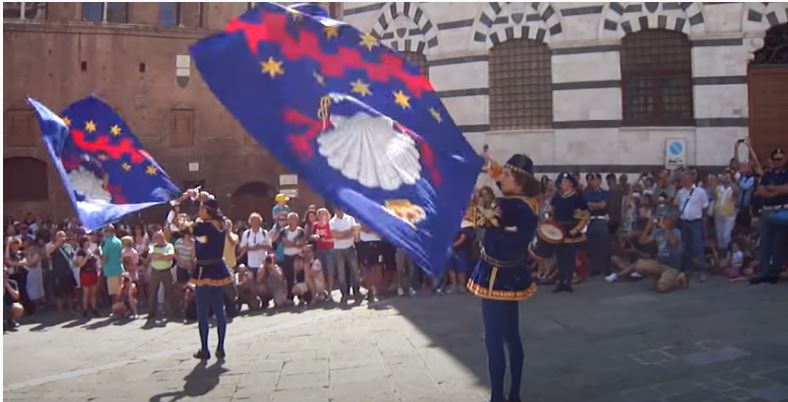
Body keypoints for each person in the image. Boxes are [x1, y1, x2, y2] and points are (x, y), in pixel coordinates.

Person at [467, 154, 540, 402]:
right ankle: (515, 394)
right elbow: (500, 182)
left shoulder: (510, 206)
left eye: (508, 175)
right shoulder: (527, 202)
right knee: (512, 336)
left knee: (494, 339)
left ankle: (497, 397)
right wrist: (491, 167)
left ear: (519, 181)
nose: (501, 178)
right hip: (513, 274)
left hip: (496, 276)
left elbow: (484, 222)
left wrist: (469, 203)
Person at [179, 190, 234, 360]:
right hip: (218, 267)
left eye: (202, 209)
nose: (200, 211)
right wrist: (200, 200)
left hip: (204, 270)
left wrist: (179, 205)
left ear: (208, 211)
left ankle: (205, 348)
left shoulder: (204, 226)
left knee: (202, 311)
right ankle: (221, 347)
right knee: (219, 309)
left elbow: (182, 227)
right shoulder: (221, 224)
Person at [616, 214, 687, 293]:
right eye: (662, 218)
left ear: (672, 222)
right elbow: (642, 241)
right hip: (659, 263)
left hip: (672, 267)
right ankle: (662, 278)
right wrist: (648, 226)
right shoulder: (657, 232)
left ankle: (678, 279)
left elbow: (673, 242)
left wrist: (665, 229)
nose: (662, 220)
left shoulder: (676, 231)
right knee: (639, 266)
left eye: (665, 219)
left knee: (661, 288)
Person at [751, 148, 788, 284]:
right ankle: (764, 270)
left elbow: (786, 189)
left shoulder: (786, 174)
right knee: (765, 242)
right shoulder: (767, 174)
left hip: (782, 211)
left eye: (780, 159)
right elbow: (760, 191)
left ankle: (774, 271)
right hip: (767, 210)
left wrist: (774, 190)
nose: (778, 161)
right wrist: (777, 191)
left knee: (778, 242)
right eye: (775, 159)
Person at [551, 172, 590, 293]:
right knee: (559, 257)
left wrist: (577, 229)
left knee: (569, 257)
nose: (562, 184)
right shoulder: (557, 198)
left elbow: (585, 216)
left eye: (564, 182)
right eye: (561, 182)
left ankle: (567, 281)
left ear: (570, 184)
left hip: (571, 230)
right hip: (558, 230)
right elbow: (552, 213)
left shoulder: (577, 199)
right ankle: (560, 281)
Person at [676, 171, 710, 281]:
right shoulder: (681, 192)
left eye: (684, 179)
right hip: (684, 222)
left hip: (695, 222)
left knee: (697, 246)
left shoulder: (700, 192)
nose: (682, 181)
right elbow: (678, 205)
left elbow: (705, 207)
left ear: (690, 180)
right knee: (685, 247)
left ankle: (702, 270)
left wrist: (700, 217)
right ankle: (687, 269)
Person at [583, 173, 612, 281]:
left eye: (594, 180)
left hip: (601, 220)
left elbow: (603, 205)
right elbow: (587, 206)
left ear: (599, 181)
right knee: (592, 245)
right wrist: (596, 205)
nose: (592, 182)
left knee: (604, 245)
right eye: (591, 180)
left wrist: (594, 205)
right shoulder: (587, 193)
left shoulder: (605, 193)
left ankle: (607, 268)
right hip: (591, 220)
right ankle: (594, 268)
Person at [329, 208, 362, 304]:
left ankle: (357, 291)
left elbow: (354, 232)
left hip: (350, 247)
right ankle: (344, 293)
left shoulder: (350, 219)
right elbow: (336, 236)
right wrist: (348, 232)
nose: (339, 210)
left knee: (355, 270)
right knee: (341, 272)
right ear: (334, 210)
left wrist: (343, 234)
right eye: (337, 209)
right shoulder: (332, 222)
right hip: (338, 249)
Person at [147, 230, 176, 320]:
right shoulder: (152, 246)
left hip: (166, 271)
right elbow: (151, 255)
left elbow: (170, 257)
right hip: (155, 271)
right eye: (156, 238)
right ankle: (151, 313)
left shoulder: (169, 246)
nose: (158, 239)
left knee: (170, 292)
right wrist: (164, 256)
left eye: (160, 237)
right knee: (152, 292)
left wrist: (158, 256)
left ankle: (174, 312)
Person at [45, 231, 76, 313]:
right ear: (56, 237)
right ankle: (60, 311)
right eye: (59, 236)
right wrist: (56, 244)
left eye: (63, 236)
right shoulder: (53, 246)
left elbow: (72, 256)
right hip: (57, 273)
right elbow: (48, 254)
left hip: (68, 272)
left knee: (70, 292)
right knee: (59, 293)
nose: (61, 238)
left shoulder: (68, 246)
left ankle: (71, 310)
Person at [446, 219, 475, 294]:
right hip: (450, 249)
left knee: (462, 268)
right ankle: (454, 286)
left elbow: (463, 238)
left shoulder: (464, 223)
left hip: (461, 249)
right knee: (451, 267)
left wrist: (452, 245)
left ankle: (462, 286)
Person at [714, 170, 740, 254]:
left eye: (728, 177)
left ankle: (728, 252)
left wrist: (731, 182)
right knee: (719, 234)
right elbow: (713, 192)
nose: (726, 178)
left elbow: (737, 193)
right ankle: (721, 252)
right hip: (718, 214)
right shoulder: (719, 187)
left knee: (726, 235)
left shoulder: (732, 188)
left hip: (729, 215)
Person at [356, 224, 384, 302]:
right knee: (366, 269)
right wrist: (372, 228)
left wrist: (372, 229)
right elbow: (360, 229)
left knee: (378, 267)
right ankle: (370, 290)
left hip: (377, 244)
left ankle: (377, 289)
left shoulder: (375, 219)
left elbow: (381, 230)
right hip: (364, 244)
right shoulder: (360, 218)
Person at [311, 208, 335, 300]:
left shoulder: (330, 225)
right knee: (321, 271)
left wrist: (327, 240)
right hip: (319, 249)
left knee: (330, 271)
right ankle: (322, 291)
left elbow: (335, 238)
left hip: (329, 249)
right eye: (320, 214)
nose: (322, 216)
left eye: (324, 214)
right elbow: (311, 236)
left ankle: (330, 292)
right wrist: (314, 237)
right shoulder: (315, 225)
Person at [101, 224, 124, 305]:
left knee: (114, 293)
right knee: (120, 290)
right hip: (119, 268)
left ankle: (116, 310)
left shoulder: (107, 243)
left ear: (108, 232)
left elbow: (105, 258)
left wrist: (102, 266)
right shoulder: (119, 241)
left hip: (111, 270)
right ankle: (122, 307)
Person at [23, 242, 45, 314]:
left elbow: (32, 264)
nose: (30, 250)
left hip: (36, 275)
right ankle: (32, 307)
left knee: (36, 291)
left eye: (32, 248)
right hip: (29, 275)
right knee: (30, 290)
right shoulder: (26, 255)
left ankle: (38, 307)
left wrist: (28, 256)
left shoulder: (37, 255)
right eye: (28, 248)